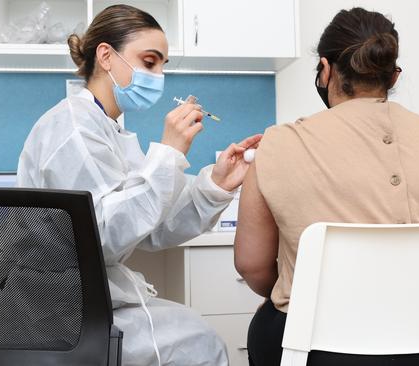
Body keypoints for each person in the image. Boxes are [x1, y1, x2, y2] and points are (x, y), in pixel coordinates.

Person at [14, 4, 260, 365]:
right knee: (200, 342)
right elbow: (106, 234)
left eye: (163, 66)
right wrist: (170, 150)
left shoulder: (109, 130)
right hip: (61, 313)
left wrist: (217, 185)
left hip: (79, 301)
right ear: (106, 56)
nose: (158, 76)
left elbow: (151, 225)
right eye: (149, 62)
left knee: (195, 335)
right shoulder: (74, 128)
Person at [234, 7, 419, 366]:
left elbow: (252, 266)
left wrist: (288, 289)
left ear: (326, 69)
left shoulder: (279, 144)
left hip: (321, 347)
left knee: (269, 318)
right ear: (392, 77)